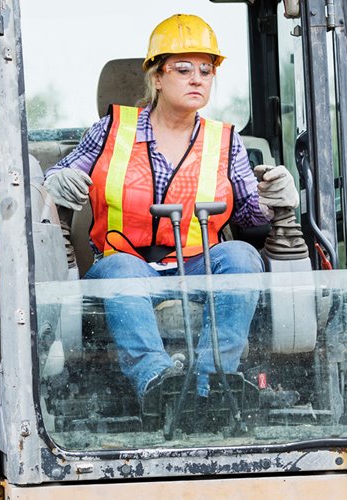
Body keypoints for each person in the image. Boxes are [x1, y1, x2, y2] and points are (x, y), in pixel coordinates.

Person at [43, 14, 299, 403]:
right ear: (157, 78)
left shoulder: (225, 141)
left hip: (197, 264)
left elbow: (249, 217)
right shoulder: (111, 131)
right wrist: (54, 183)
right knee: (122, 269)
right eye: (183, 69)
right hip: (124, 262)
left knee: (242, 256)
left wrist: (271, 200)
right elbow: (59, 181)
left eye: (206, 70)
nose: (197, 78)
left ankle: (213, 383)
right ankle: (158, 383)